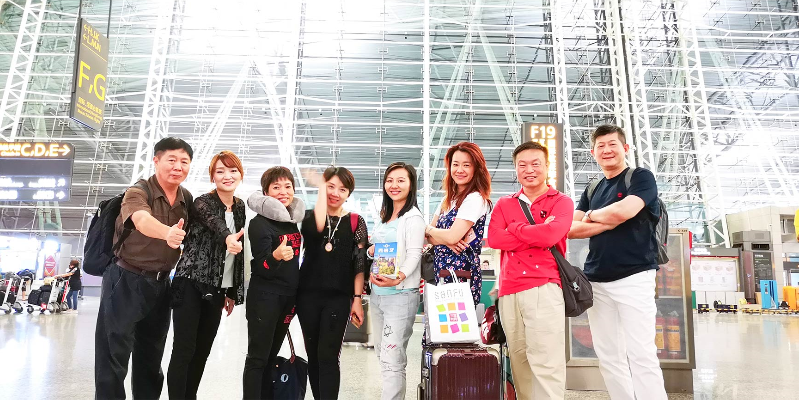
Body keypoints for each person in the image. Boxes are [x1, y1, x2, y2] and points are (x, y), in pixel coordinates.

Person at [568, 124, 667, 400]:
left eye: (612, 144)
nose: (607, 150)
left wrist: (591, 216)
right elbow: (571, 228)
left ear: (625, 148)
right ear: (593, 153)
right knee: (609, 356)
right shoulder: (593, 187)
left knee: (641, 353)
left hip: (634, 276)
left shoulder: (640, 178)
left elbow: (626, 210)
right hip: (596, 281)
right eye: (600, 146)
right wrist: (607, 219)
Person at [95, 137, 194, 400]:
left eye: (184, 161)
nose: (178, 167)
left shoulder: (186, 198)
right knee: (113, 353)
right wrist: (167, 233)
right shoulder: (138, 191)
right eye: (171, 160)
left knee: (151, 355)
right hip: (125, 278)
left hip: (161, 284)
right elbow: (141, 220)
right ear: (156, 161)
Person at [487, 141, 573, 400]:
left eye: (536, 164)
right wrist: (535, 233)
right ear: (515, 169)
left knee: (547, 361)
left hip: (544, 286)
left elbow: (550, 236)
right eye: (522, 165)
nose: (529, 170)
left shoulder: (562, 202)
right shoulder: (504, 203)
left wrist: (514, 228)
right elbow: (495, 239)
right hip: (509, 290)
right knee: (519, 361)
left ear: (547, 166)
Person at [167, 151, 246, 399]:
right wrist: (228, 238)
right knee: (184, 349)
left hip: (216, 288)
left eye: (232, 170)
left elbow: (235, 255)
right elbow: (216, 224)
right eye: (220, 171)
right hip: (190, 282)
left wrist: (231, 290)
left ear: (240, 174)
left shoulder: (240, 206)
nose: (227, 176)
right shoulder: (202, 202)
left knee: (202, 350)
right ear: (212, 177)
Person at [299, 166, 368, 400]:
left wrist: (357, 299)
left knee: (328, 356)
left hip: (338, 298)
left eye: (343, 189)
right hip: (307, 297)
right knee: (313, 355)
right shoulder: (310, 217)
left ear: (349, 194)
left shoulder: (355, 222)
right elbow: (316, 231)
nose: (335, 193)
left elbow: (359, 264)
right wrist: (320, 188)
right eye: (330, 186)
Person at [243, 166, 305, 400]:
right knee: (257, 358)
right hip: (265, 297)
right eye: (276, 187)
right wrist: (276, 256)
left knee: (271, 357)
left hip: (288, 297)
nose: (283, 192)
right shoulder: (259, 223)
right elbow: (261, 266)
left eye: (287, 186)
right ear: (266, 193)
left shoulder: (291, 221)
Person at [367, 162, 425, 400]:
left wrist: (398, 278)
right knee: (383, 354)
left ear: (411, 185)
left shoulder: (413, 218)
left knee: (392, 357)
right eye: (390, 180)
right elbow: (378, 248)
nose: (394, 185)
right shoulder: (385, 217)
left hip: (400, 295)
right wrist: (371, 251)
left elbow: (414, 254)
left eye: (401, 180)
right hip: (378, 295)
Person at [425, 142, 492, 305]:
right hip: (441, 273)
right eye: (455, 164)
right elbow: (428, 238)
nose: (459, 170)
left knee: (457, 321)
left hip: (461, 276)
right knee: (439, 320)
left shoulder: (475, 198)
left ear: (476, 169)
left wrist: (429, 229)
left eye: (466, 165)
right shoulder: (447, 199)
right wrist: (446, 240)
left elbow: (449, 235)